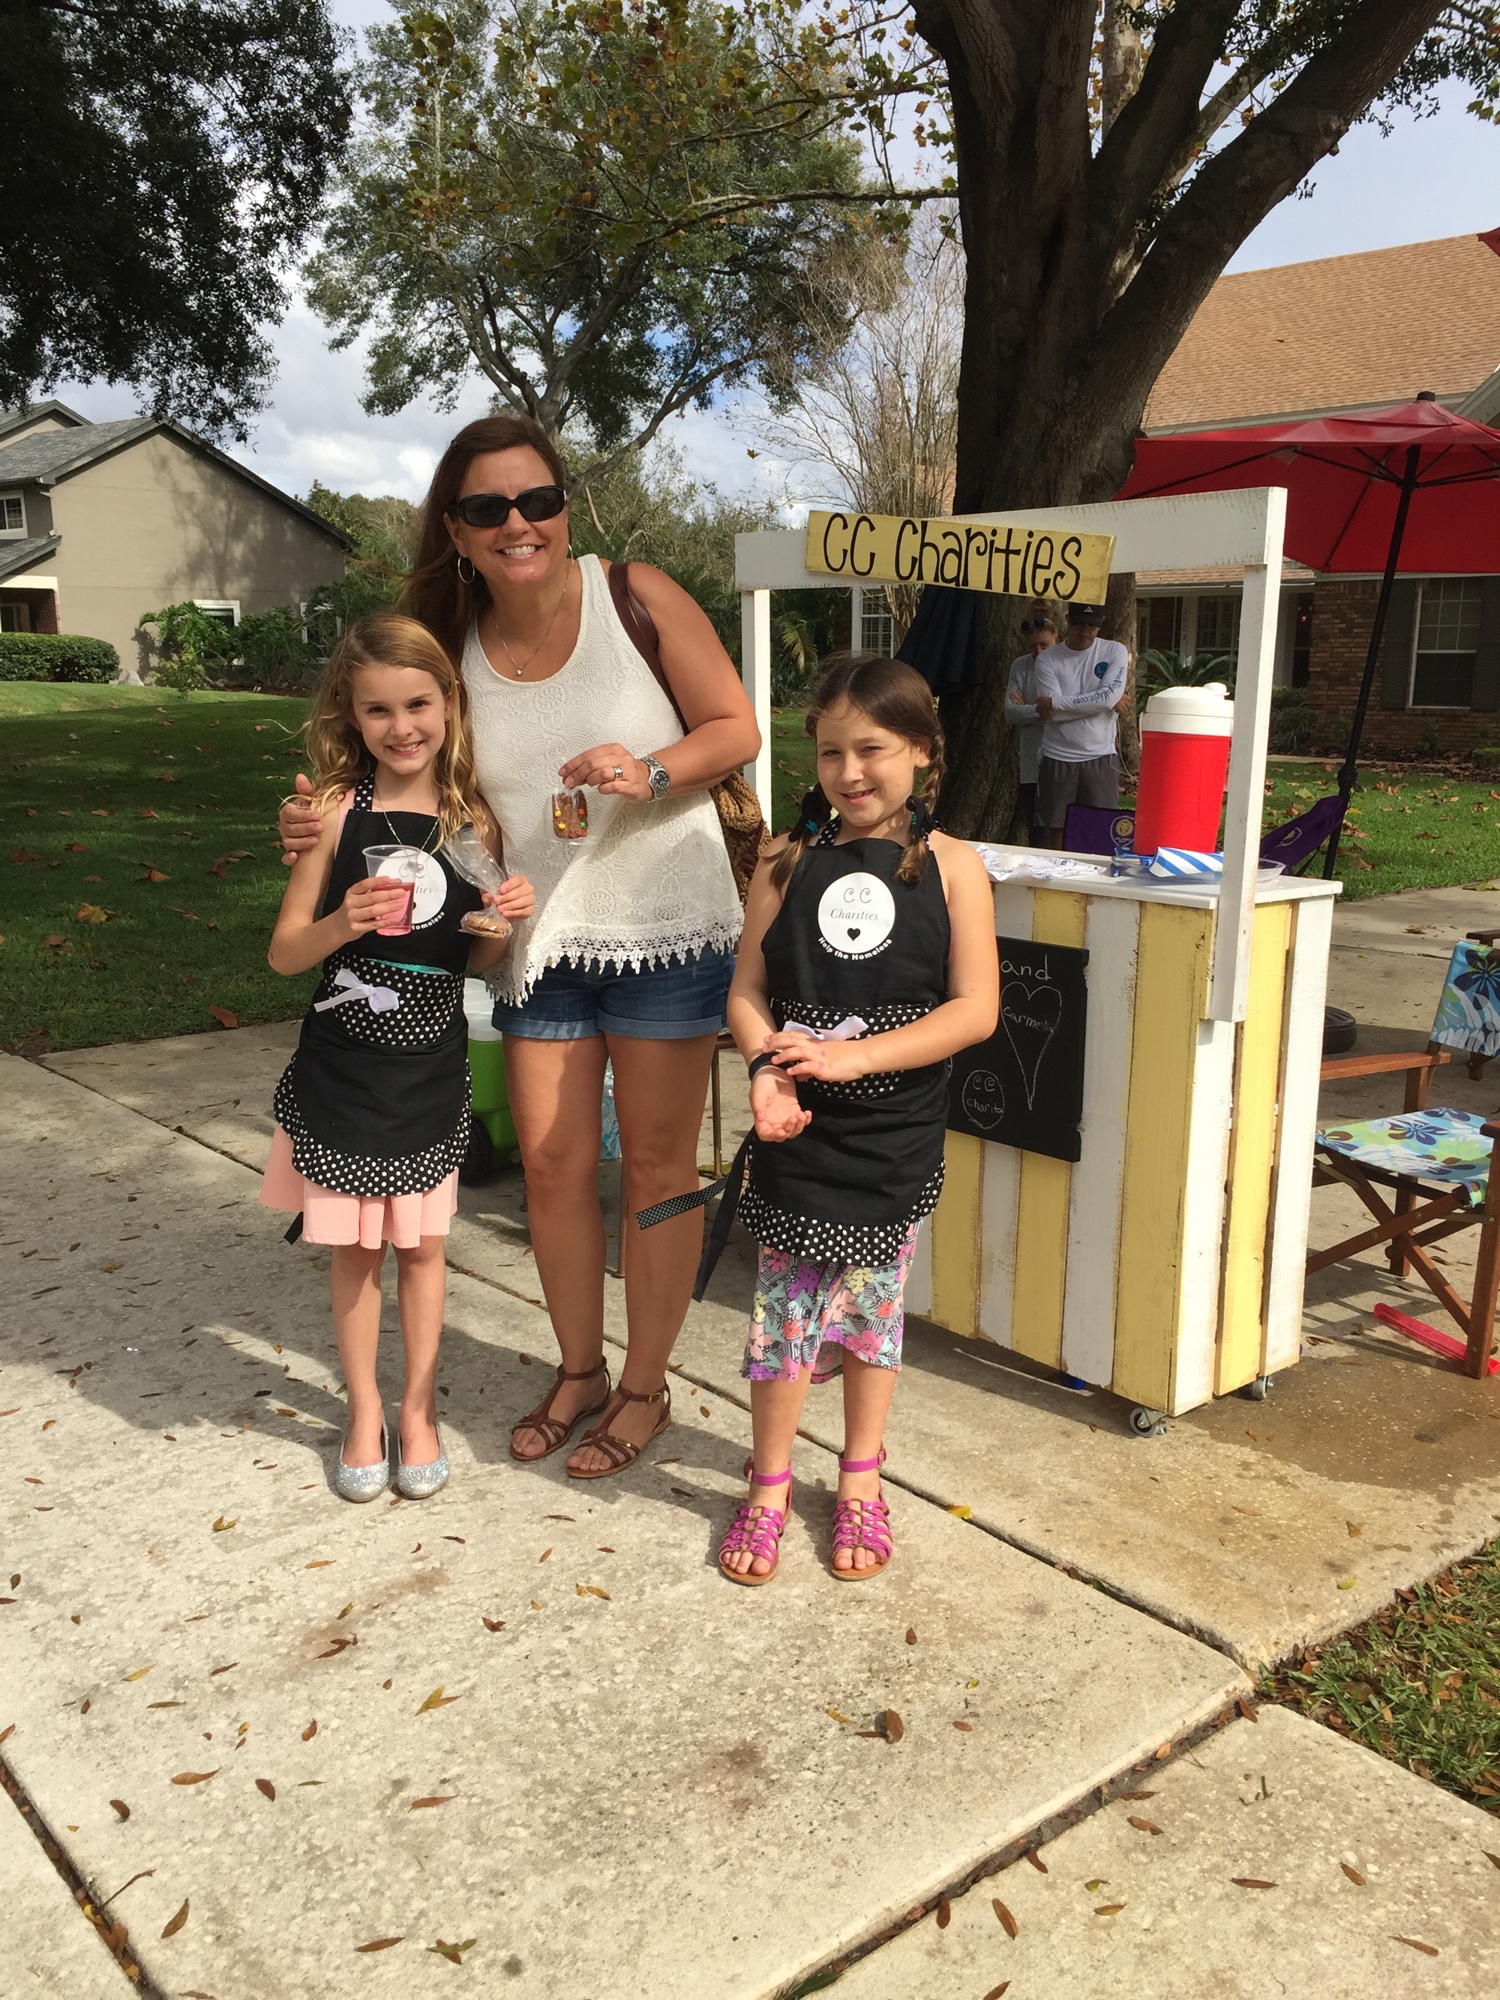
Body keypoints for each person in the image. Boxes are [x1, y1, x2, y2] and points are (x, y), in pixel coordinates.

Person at [279, 417, 759, 1479]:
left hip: (666, 924)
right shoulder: (441, 651)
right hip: (537, 940)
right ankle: (580, 1368)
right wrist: (318, 830)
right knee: (549, 1160)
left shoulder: (635, 592)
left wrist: (654, 770)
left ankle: (646, 1384)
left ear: (563, 506)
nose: (518, 522)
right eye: (489, 507)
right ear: (456, 527)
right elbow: (409, 780)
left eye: (537, 498)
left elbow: (736, 724)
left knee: (658, 1168)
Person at [715, 655, 998, 1584]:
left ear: (920, 750)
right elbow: (748, 992)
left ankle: (863, 1479)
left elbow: (974, 1011)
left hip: (894, 1137)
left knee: (873, 1317)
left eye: (872, 748)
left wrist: (853, 1057)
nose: (849, 772)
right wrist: (768, 1070)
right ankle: (767, 1485)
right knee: (783, 1317)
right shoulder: (785, 859)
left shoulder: (957, 868)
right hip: (795, 1129)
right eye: (831, 752)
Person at [262, 614, 535, 1502]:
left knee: (422, 1252)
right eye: (377, 709)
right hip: (343, 1071)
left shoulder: (470, 824)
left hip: (427, 1069)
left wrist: (501, 926)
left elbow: (479, 959)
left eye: (417, 703)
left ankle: (419, 1409)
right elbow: (285, 953)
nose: (401, 725)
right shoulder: (335, 814)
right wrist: (344, 920)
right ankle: (365, 1411)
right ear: (352, 714)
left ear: (448, 705)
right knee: (354, 1255)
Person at [1033, 603, 1132, 849]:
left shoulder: (1114, 651)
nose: (1085, 630)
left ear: (1101, 622)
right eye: (1079, 623)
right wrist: (1103, 701)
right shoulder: (1047, 659)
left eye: (1092, 625)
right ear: (1068, 619)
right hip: (1058, 755)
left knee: (1101, 828)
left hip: (1100, 755)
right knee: (1056, 829)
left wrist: (1056, 703)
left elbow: (1106, 697)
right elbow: (1051, 716)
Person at [1004, 607, 1059, 842]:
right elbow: (1011, 712)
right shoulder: (1021, 666)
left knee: (1061, 830)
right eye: (1032, 646)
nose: (1038, 651)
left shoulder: (1067, 663)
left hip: (1062, 759)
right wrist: (1040, 708)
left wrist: (1037, 708)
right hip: (1030, 765)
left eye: (1044, 645)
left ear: (1056, 635)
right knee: (1037, 833)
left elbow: (1067, 710)